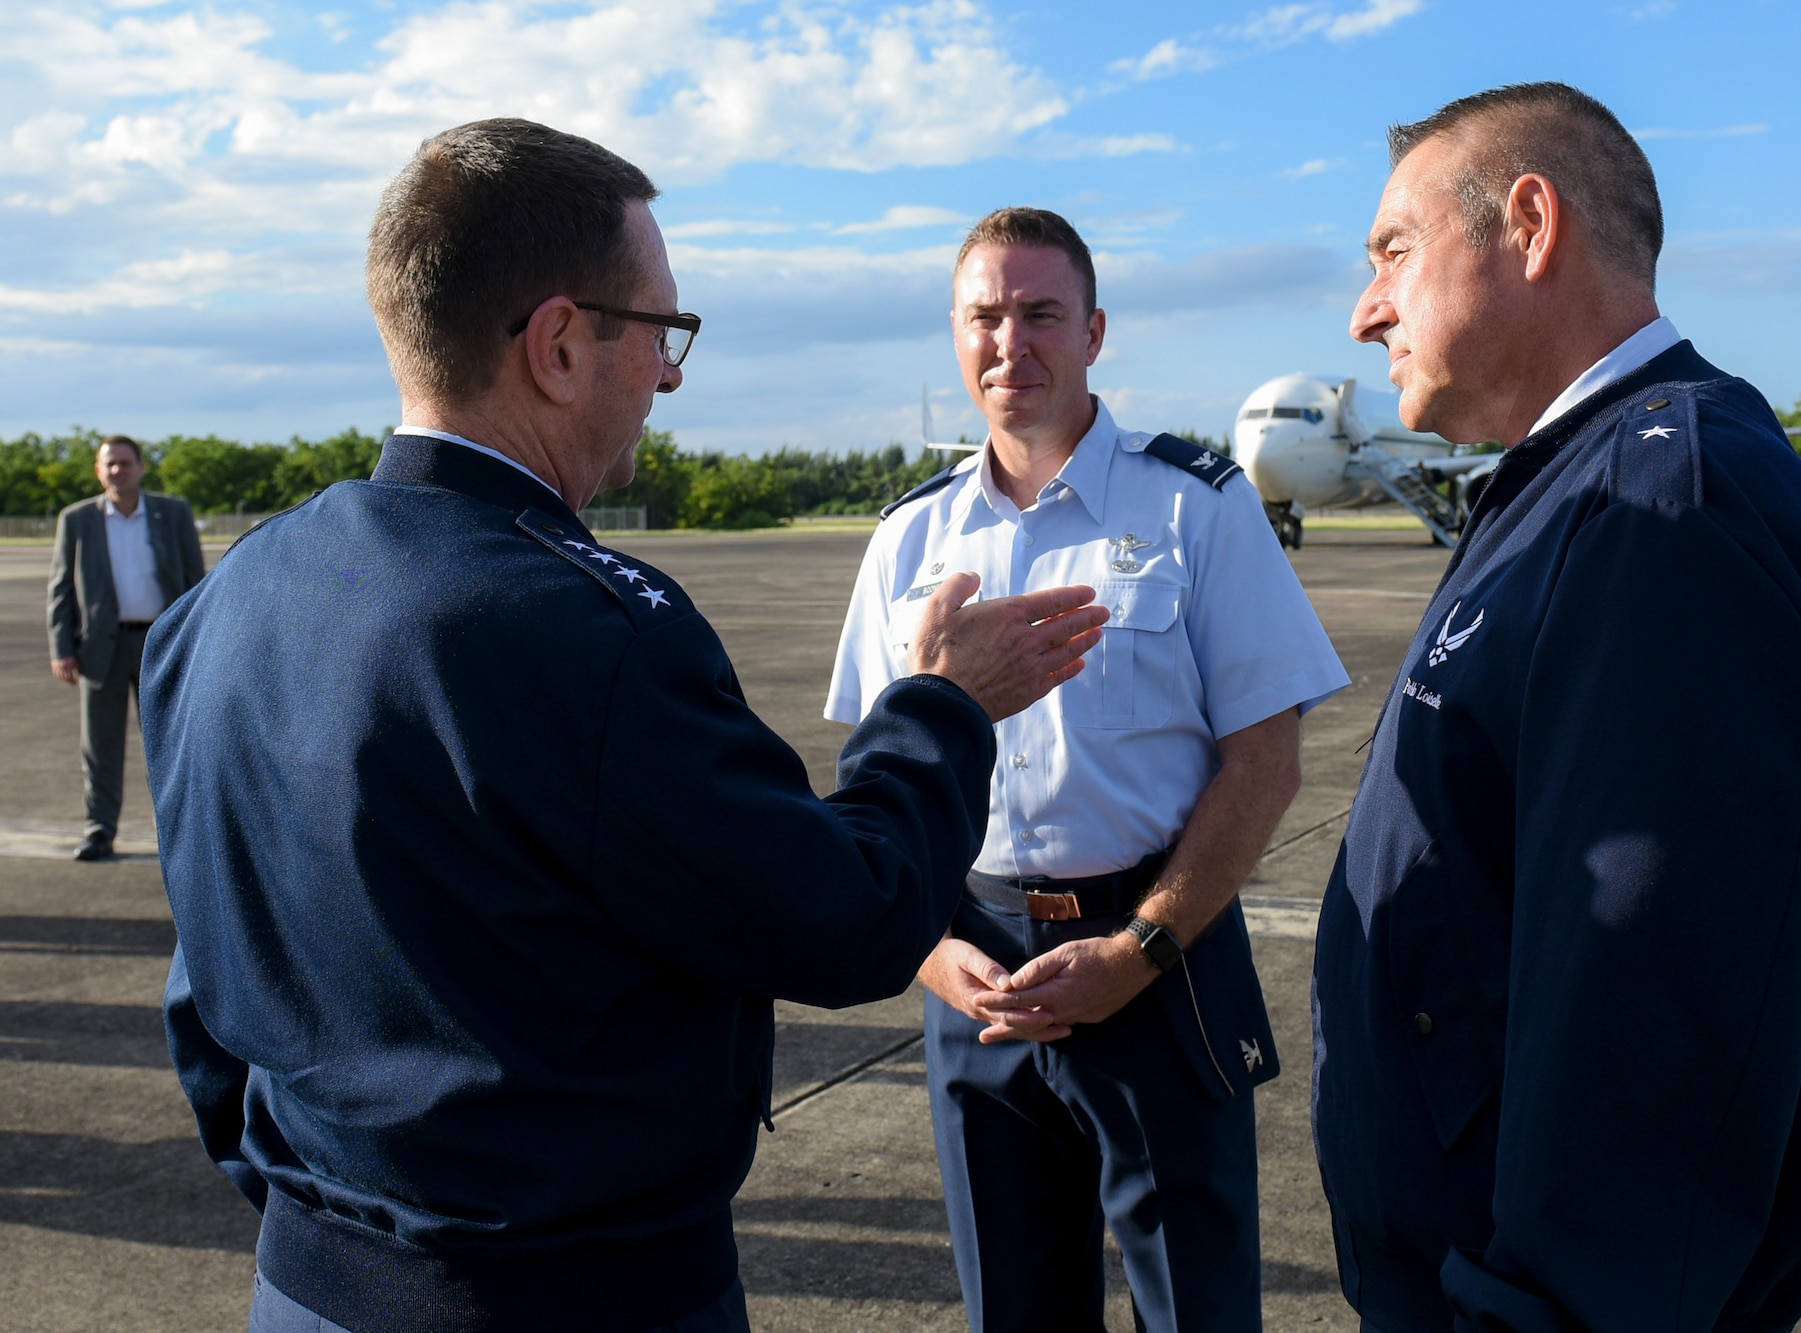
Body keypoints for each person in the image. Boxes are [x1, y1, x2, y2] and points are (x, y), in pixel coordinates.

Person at [142, 120, 1109, 1333]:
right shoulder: (579, 626)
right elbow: (847, 919)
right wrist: (941, 707)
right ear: (557, 342)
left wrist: (325, 1217)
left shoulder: (227, 598)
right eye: (661, 331)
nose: (668, 374)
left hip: (308, 1279)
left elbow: (206, 996)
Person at [1310, 83, 1801, 1331]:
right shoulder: (1568, 489)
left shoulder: (1660, 511)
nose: (1363, 311)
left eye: (1392, 251)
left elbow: (1648, 1033)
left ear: (1527, 223)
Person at [827, 207, 1351, 1332]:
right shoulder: (905, 543)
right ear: (955, 334)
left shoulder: (1193, 507)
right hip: (976, 977)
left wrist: (1141, 949)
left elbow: (1264, 761)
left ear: (1094, 331)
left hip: (1156, 959)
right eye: (984, 315)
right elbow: (871, 774)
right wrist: (927, 949)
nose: (1009, 341)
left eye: (1039, 313)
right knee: (1013, 1313)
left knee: (1195, 1311)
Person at [46, 434, 204, 861]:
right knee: (99, 747)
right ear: (99, 471)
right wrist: (62, 647)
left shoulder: (172, 513)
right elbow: (61, 589)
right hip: (101, 649)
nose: (117, 470)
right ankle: (99, 830)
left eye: (124, 463)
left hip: (162, 645)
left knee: (172, 742)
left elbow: (197, 583)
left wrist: (197, 641)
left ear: (141, 467)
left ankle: (180, 833)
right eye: (109, 464)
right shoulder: (77, 519)